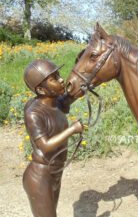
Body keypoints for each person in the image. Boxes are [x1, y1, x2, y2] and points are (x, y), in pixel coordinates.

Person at [23, 59, 83, 217]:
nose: (61, 80)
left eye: (58, 75)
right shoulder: (34, 113)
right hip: (40, 176)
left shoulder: (57, 103)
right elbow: (45, 146)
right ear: (41, 90)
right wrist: (72, 129)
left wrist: (84, 84)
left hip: (55, 172)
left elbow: (72, 94)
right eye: (54, 78)